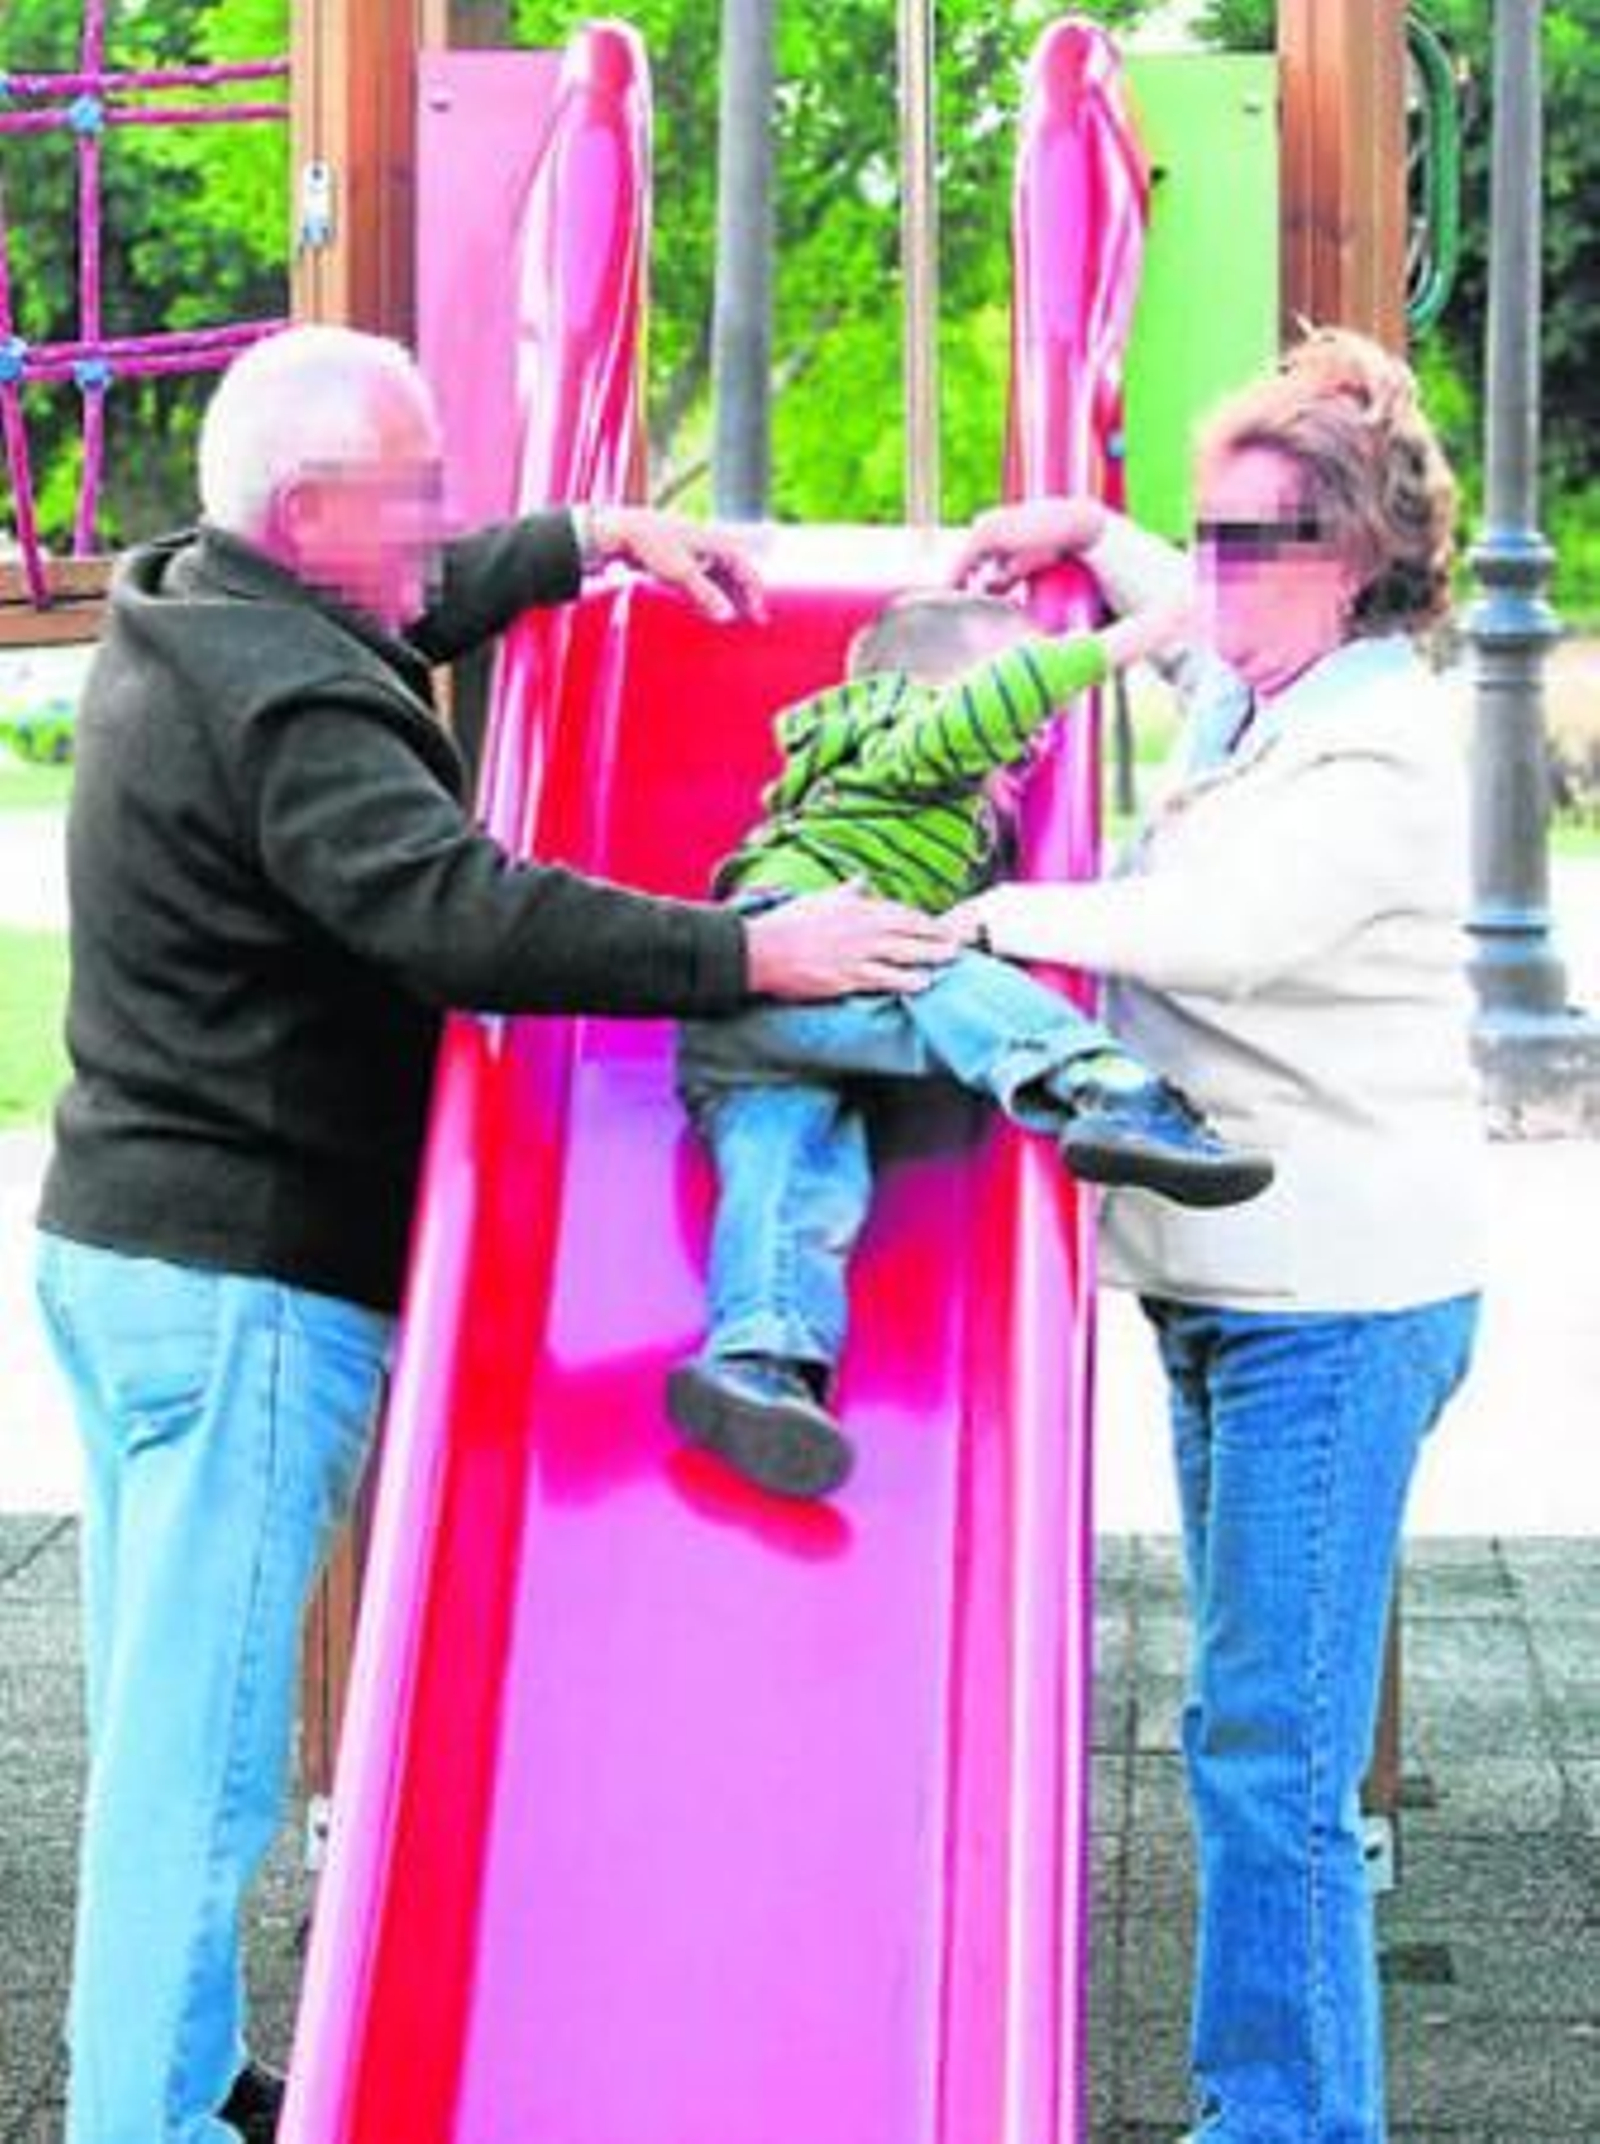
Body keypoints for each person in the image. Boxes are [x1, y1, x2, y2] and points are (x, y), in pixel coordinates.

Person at [31, 323, 958, 2144]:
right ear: (312, 514)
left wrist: (585, 538)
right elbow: (462, 912)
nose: (446, 522)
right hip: (241, 1284)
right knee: (195, 1766)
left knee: (162, 1722)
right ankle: (137, 2116)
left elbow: (399, 608)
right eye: (420, 491)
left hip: (127, 1248)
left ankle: (178, 2076)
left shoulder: (203, 605)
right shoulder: (294, 711)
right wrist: (750, 951)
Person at [951, 328, 1487, 2143]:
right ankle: (1274, 2108)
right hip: (1237, 1292)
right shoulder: (1266, 691)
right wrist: (1087, 533)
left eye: (1262, 540)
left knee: (1270, 1749)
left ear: (1357, 561)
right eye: (1211, 532)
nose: (1221, 569)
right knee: (1248, 1726)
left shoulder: (1380, 753)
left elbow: (1223, 930)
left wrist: (989, 916)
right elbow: (1180, 615)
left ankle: (1291, 2121)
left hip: (1333, 1305)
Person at [669, 588, 1273, 1500]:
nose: (1032, 750)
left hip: (739, 1039)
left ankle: (759, 1362)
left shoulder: (859, 797)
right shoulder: (903, 741)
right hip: (795, 949)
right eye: (1021, 736)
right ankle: (1106, 1086)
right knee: (936, 970)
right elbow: (978, 712)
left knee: (795, 1176)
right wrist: (1126, 643)